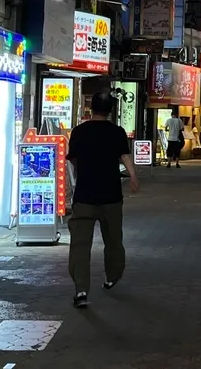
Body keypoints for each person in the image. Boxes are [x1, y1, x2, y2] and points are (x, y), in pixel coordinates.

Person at [66, 92, 140, 309]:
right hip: (111, 197)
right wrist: (134, 176)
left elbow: (73, 160)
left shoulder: (79, 131)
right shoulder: (117, 132)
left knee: (80, 245)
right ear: (110, 111)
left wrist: (75, 184)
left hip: (85, 196)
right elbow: (125, 156)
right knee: (114, 241)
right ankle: (112, 276)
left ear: (91, 109)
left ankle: (81, 290)